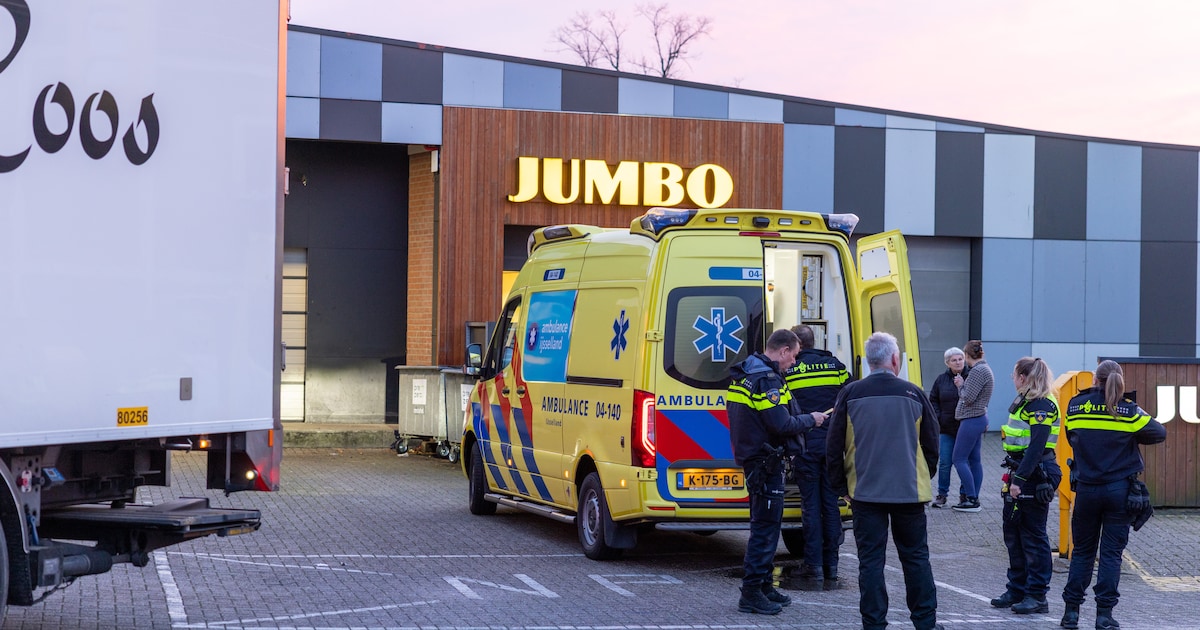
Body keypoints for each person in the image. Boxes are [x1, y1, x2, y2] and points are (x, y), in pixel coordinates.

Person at [827, 332, 942, 630]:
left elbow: (833, 444)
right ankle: (926, 624)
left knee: (871, 563)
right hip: (909, 492)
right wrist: (921, 476)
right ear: (894, 359)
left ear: (869, 361)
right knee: (916, 559)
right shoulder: (914, 393)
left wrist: (842, 487)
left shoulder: (850, 394)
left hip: (865, 493)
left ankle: (874, 625)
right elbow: (932, 445)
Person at [727, 328, 828, 615]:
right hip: (765, 461)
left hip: (758, 459)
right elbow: (780, 425)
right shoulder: (766, 379)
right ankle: (751, 593)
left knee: (766, 525)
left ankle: (763, 585)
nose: (795, 362)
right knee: (765, 528)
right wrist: (812, 419)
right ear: (783, 350)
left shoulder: (749, 371)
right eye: (794, 356)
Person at [1059, 360, 1166, 630]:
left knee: (1082, 552)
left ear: (1095, 379)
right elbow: (1158, 432)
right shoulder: (1128, 411)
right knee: (1110, 555)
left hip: (1086, 489)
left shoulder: (1074, 405)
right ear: (1118, 380)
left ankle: (1071, 613)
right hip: (1119, 491)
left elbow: (1072, 436)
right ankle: (1104, 616)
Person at [990, 357, 1062, 615]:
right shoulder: (1027, 402)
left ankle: (1037, 595)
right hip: (1020, 470)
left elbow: (1036, 447)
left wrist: (1019, 481)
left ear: (1023, 377)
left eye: (1014, 375)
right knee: (1014, 534)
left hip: (1035, 473)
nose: (1012, 379)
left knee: (1032, 536)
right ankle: (1017, 589)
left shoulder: (1041, 405)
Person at [783, 324, 850, 582]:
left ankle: (813, 566)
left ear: (794, 345)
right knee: (830, 505)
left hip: (806, 444)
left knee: (810, 506)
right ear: (814, 341)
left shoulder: (790, 369)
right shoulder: (836, 366)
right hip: (833, 446)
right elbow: (849, 397)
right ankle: (831, 565)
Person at [950, 340, 993, 512]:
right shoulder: (985, 369)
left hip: (971, 419)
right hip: (978, 418)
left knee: (958, 459)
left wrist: (960, 386)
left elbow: (968, 398)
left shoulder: (978, 371)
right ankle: (973, 498)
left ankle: (972, 498)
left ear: (967, 355)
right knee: (974, 460)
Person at [928, 347, 969, 508]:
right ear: (947, 363)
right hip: (946, 428)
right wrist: (938, 418)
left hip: (966, 428)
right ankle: (942, 495)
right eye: (954, 360)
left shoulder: (971, 376)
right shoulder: (941, 380)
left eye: (960, 359)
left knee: (964, 462)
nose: (958, 362)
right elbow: (933, 400)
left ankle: (965, 494)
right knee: (945, 462)